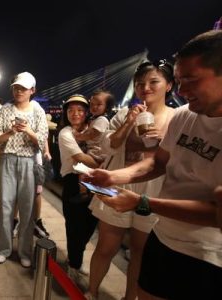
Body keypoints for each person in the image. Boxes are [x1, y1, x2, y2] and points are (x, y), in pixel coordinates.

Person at [87, 30, 222, 299]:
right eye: (180, 81)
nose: (182, 90)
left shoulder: (176, 115)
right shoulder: (185, 115)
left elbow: (216, 213)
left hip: (209, 255)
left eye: (191, 80)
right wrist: (114, 177)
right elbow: (157, 162)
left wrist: (142, 203)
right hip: (163, 235)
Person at [86, 60, 176, 300]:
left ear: (168, 86)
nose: (146, 87)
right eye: (140, 84)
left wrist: (164, 140)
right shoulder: (125, 113)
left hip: (153, 190)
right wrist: (127, 122)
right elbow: (110, 145)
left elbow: (177, 159)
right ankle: (91, 292)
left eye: (153, 82)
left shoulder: (177, 118)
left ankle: (129, 298)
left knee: (139, 251)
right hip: (120, 184)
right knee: (106, 246)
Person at [0, 72, 48, 268]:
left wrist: (28, 131)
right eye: (16, 87)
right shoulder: (5, 110)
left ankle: (25, 251)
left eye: (23, 88)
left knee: (27, 209)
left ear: (32, 90)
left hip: (28, 162)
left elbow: (42, 141)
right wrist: (10, 131)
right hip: (8, 160)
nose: (18, 91)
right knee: (6, 207)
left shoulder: (38, 110)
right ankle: (3, 249)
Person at [57, 94, 99, 281]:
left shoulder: (94, 129)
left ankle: (75, 257)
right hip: (73, 182)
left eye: (80, 110)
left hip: (94, 182)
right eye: (71, 110)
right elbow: (80, 158)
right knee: (74, 227)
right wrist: (105, 162)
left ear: (86, 112)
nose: (75, 114)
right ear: (66, 113)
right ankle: (74, 264)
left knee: (91, 223)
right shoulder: (65, 133)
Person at [74, 89, 114, 164]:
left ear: (107, 107)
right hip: (91, 150)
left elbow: (91, 134)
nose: (94, 107)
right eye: (92, 104)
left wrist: (78, 136)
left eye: (98, 104)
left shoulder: (102, 120)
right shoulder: (94, 118)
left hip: (97, 153)